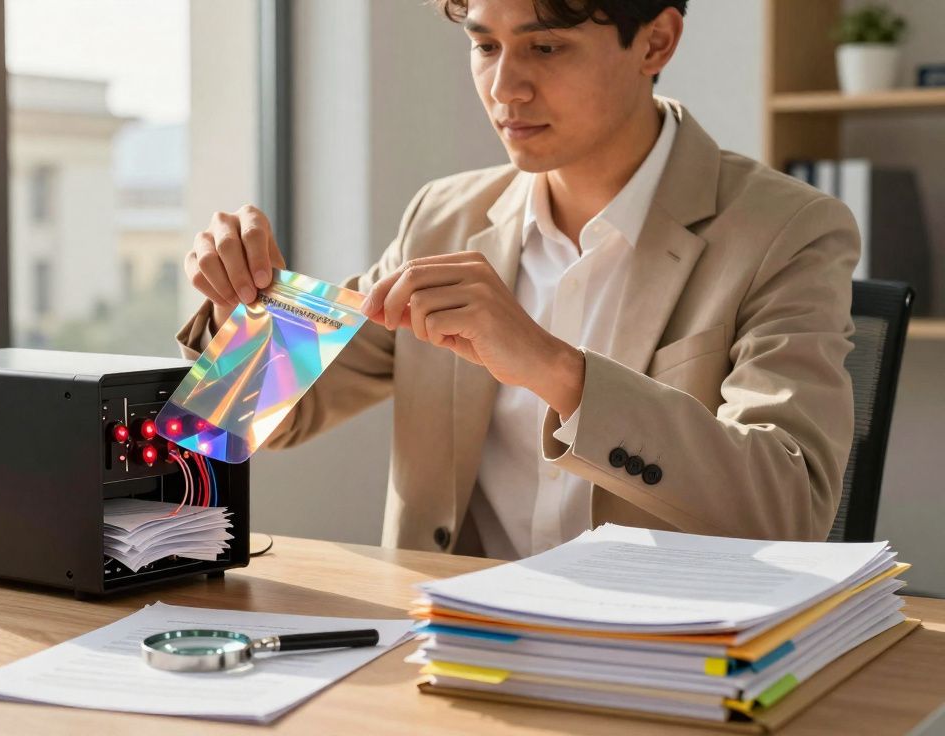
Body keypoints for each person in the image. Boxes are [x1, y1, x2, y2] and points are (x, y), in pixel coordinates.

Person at [176, 0, 859, 558]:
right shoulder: (443, 218)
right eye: (484, 46)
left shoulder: (787, 230)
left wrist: (556, 370)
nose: (505, 89)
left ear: (656, 42)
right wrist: (242, 297)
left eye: (546, 48)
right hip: (450, 654)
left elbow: (790, 507)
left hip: (660, 666)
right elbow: (238, 416)